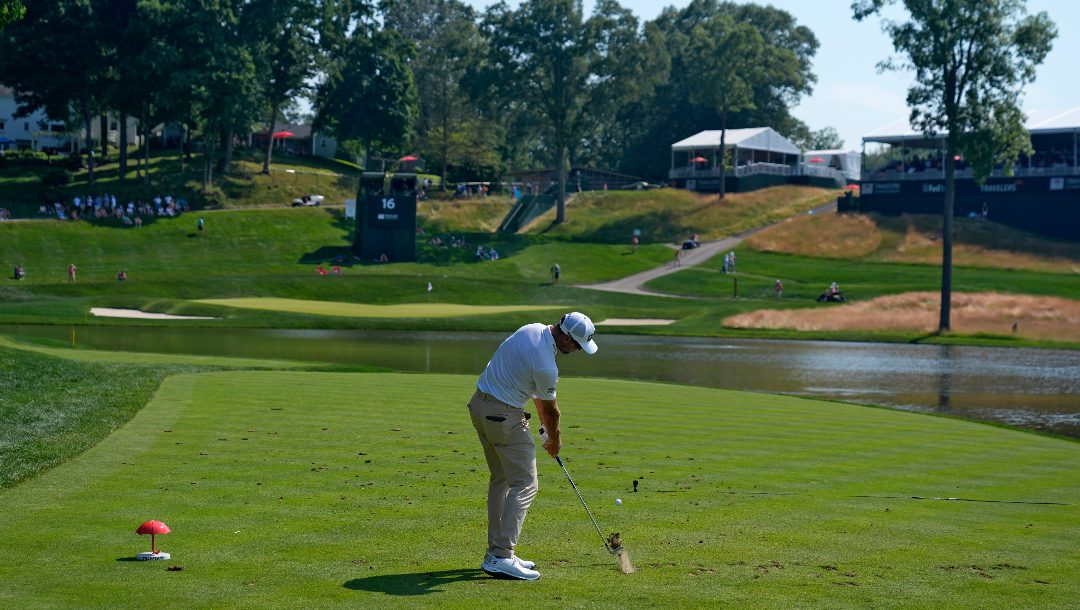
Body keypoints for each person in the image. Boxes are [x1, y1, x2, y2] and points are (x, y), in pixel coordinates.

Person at [469, 312, 599, 581]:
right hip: (502, 416)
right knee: (526, 484)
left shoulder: (532, 329)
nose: (576, 351)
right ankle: (501, 556)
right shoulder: (546, 366)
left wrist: (543, 431)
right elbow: (552, 413)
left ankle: (496, 551)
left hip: (480, 406)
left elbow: (537, 396)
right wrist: (554, 441)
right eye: (576, 345)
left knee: (502, 479)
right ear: (565, 337)